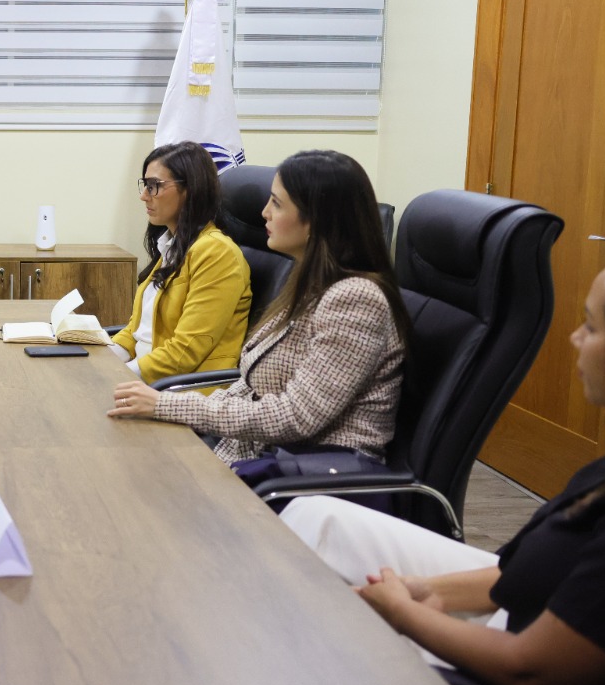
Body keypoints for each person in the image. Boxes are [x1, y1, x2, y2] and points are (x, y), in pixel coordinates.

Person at [282, 245, 605, 685]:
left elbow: (531, 671)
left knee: (317, 648)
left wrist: (405, 614)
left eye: (590, 328)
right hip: (519, 613)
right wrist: (426, 592)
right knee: (316, 518)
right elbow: (524, 570)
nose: (574, 339)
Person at [108, 149, 409, 467]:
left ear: (317, 219)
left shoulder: (355, 301)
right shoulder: (308, 285)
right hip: (255, 453)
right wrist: (165, 405)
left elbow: (296, 416)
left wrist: (166, 406)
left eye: (277, 204)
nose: (264, 213)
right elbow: (248, 384)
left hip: (310, 478)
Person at [108, 141, 251, 382]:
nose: (144, 196)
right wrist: (97, 360)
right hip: (146, 379)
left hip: (182, 389)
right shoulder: (171, 246)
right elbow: (136, 331)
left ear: (190, 189)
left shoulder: (217, 253)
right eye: (145, 185)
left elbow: (185, 353)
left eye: (154, 186)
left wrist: (118, 376)